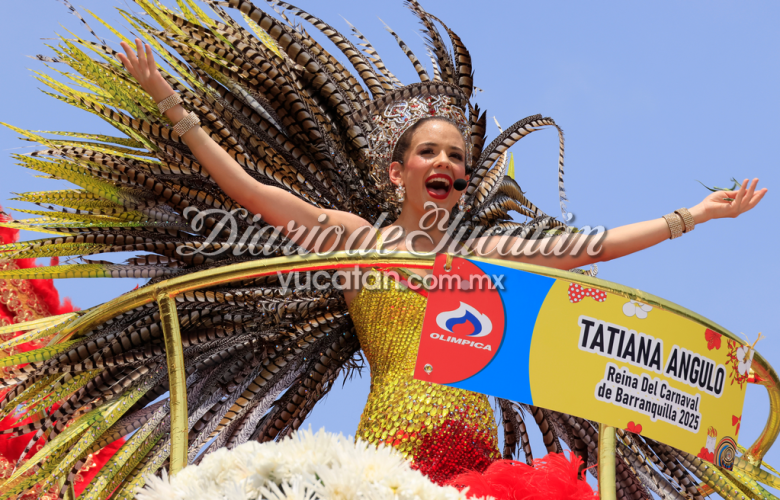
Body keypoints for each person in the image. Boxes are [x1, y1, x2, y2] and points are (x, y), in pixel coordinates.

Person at [0, 1, 767, 498]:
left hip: (483, 463)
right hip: (388, 460)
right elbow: (250, 190)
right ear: (396, 171)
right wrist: (172, 105)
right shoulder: (356, 240)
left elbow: (589, 245)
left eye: (458, 160)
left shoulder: (488, 250)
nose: (447, 166)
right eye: (430, 153)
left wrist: (691, 215)